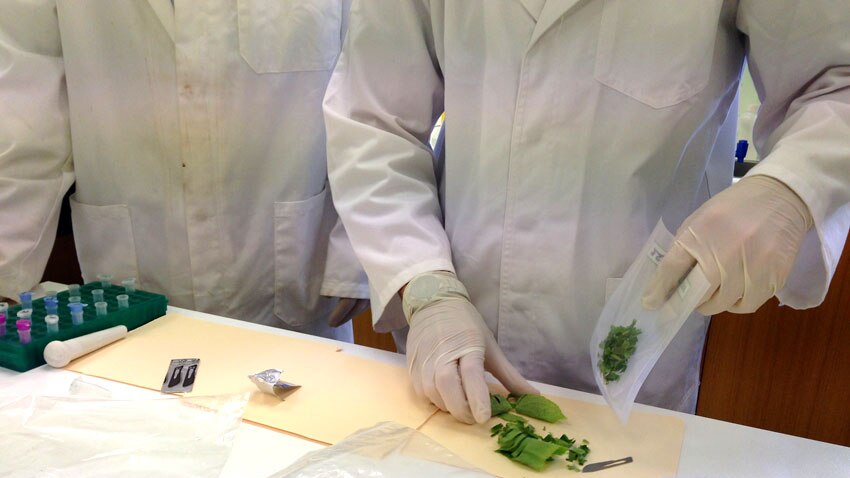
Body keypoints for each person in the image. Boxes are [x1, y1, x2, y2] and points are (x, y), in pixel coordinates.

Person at [323, 0, 850, 423]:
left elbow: (837, 84)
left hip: (636, 322)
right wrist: (425, 286)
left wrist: (792, 186)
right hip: (456, 314)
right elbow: (375, 120)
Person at [0, 0, 367, 340]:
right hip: (134, 291)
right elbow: (23, 126)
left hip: (296, 294)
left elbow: (370, 102)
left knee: (301, 403)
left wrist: (361, 253)